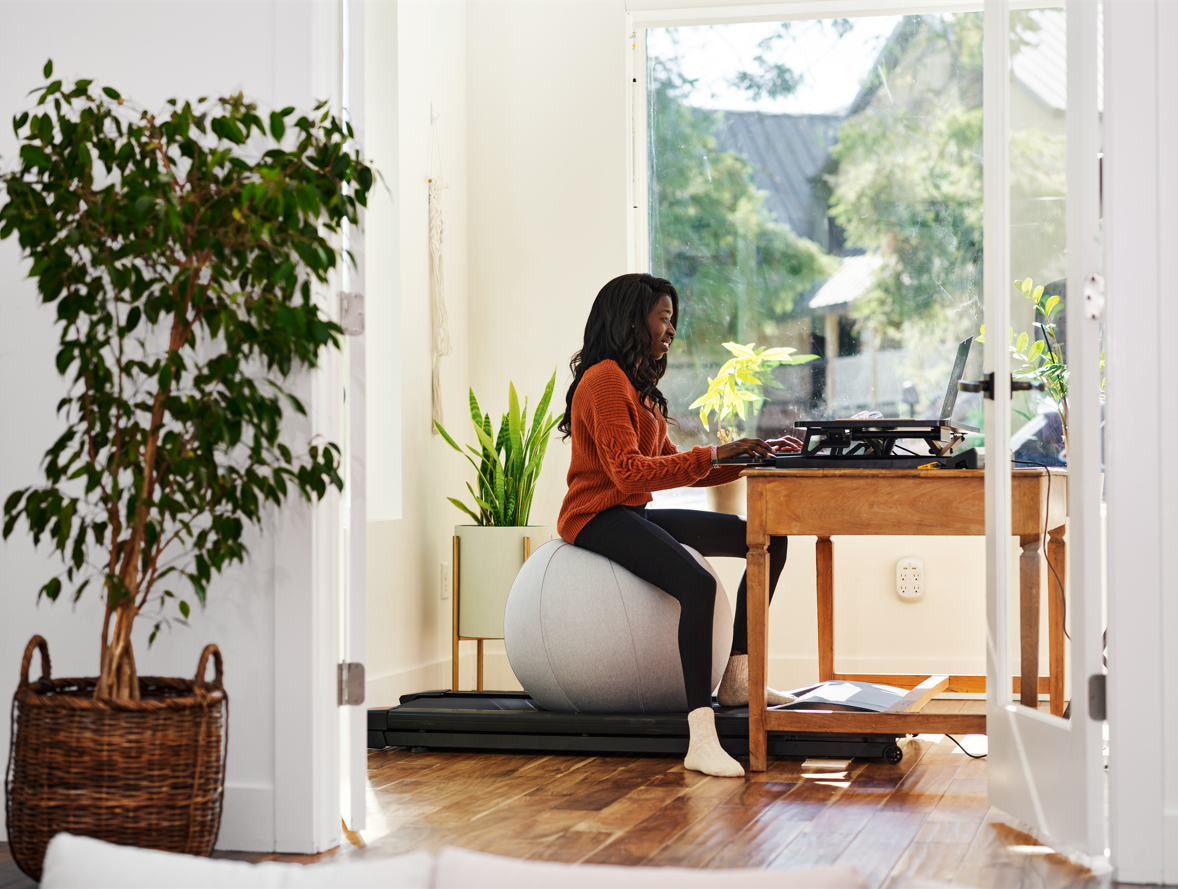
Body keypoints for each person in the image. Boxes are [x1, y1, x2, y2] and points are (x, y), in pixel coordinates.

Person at [557, 272, 797, 779]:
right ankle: (700, 735)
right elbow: (627, 473)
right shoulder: (603, 380)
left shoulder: (635, 387)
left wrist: (756, 459)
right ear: (632, 318)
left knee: (767, 539)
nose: (671, 330)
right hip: (595, 517)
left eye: (673, 321)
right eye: (664, 318)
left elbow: (666, 464)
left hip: (630, 509)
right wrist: (714, 452)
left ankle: (737, 677)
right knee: (697, 582)